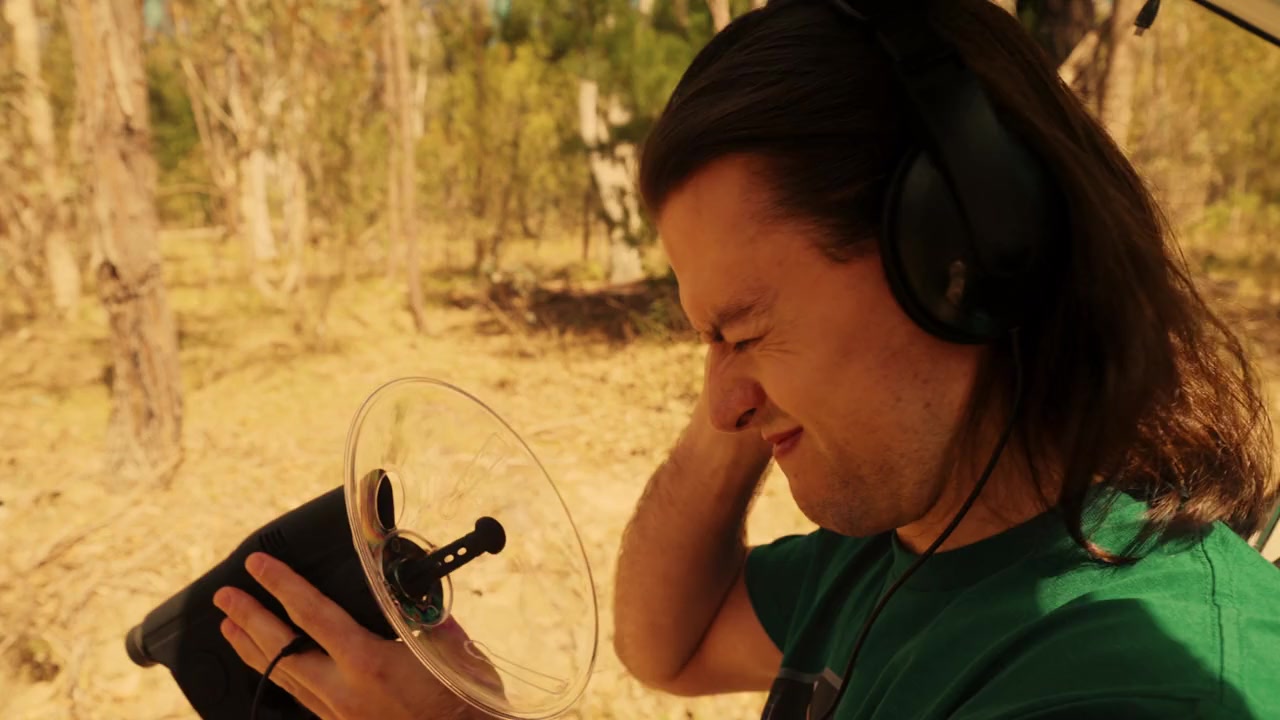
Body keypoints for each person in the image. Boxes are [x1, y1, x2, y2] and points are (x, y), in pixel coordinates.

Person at [212, 1, 1280, 718]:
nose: (718, 399)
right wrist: (744, 368)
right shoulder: (904, 541)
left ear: (966, 257)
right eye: (703, 340)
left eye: (747, 328)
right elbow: (665, 646)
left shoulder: (1143, 678)